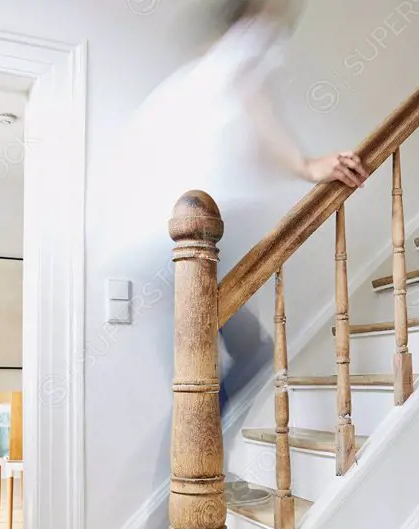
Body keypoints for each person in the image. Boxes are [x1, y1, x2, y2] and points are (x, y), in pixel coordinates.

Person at [108, 0, 369, 411]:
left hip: (153, 246)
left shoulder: (195, 75)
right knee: (227, 369)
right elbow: (257, 108)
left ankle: (195, 471)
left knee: (201, 379)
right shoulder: (247, 44)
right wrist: (306, 166)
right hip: (180, 242)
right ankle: (193, 473)